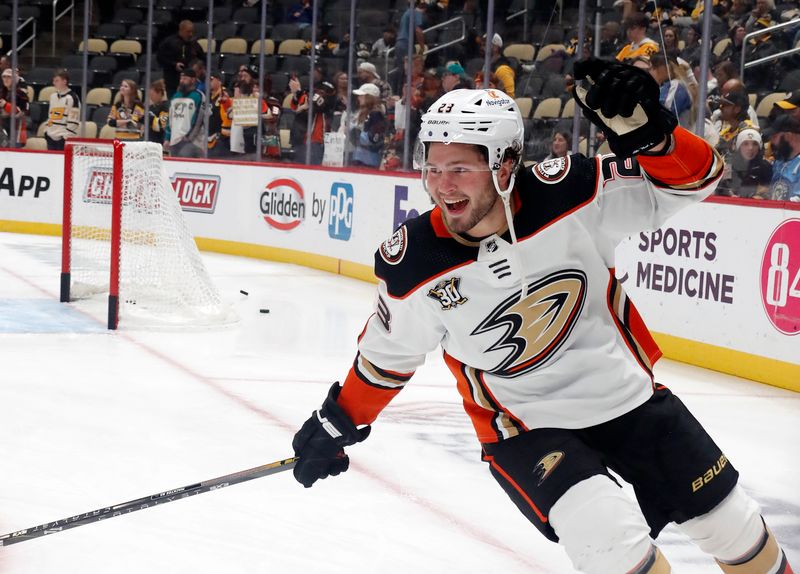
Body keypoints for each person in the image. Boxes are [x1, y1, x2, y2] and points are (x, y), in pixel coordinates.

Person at [290, 58, 795, 574]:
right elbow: (385, 360)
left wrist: (656, 139)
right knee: (610, 544)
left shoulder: (572, 192)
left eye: (461, 167)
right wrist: (335, 425)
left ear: (505, 164)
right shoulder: (415, 260)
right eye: (434, 168)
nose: (442, 185)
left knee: (735, 532)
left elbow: (698, 179)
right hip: (526, 428)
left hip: (628, 400)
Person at [717, 127, 773, 197]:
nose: (750, 148)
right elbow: (721, 189)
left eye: (755, 144)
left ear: (759, 147)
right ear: (738, 146)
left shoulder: (766, 167)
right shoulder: (729, 165)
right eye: (745, 144)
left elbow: (768, 193)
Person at [164, 68, 206, 158]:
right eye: (181, 78)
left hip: (192, 141)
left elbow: (199, 119)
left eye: (185, 78)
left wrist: (188, 137)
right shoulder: (175, 96)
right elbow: (170, 119)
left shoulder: (198, 96)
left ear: (193, 80)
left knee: (184, 157)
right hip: (175, 140)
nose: (182, 81)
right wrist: (167, 138)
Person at [156, 20, 204, 97]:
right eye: (188, 32)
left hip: (190, 83)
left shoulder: (194, 44)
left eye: (192, 32)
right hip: (172, 81)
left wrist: (197, 66)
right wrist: (174, 64)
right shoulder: (169, 42)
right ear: (181, 30)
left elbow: (202, 58)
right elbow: (160, 58)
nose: (191, 34)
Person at [346, 82, 386, 168]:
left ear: (369, 97)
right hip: (358, 158)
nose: (359, 98)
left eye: (362, 95)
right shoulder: (362, 113)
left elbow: (375, 139)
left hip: (369, 161)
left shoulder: (376, 114)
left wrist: (357, 134)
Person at [44, 69, 80, 151]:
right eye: (53, 80)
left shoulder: (72, 97)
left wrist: (66, 136)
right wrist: (47, 130)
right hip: (50, 136)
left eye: (57, 80)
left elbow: (74, 120)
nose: (54, 83)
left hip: (63, 138)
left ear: (64, 81)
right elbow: (50, 116)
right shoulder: (53, 96)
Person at [768, 114, 800, 201]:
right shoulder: (778, 162)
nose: (772, 142)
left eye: (774, 137)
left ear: (788, 136)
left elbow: (797, 201)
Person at [0, 67, 29, 147]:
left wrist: (5, 105)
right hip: (2, 130)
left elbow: (22, 113)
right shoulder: (2, 92)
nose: (6, 79)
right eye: (4, 77)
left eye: (9, 77)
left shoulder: (21, 94)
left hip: (16, 132)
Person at [207, 71, 232, 158]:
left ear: (220, 81)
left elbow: (228, 116)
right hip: (210, 137)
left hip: (221, 138)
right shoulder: (210, 96)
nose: (208, 82)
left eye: (211, 79)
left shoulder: (225, 95)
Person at [146, 79, 170, 145]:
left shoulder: (165, 107)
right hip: (150, 141)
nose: (150, 98)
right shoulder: (152, 107)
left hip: (158, 143)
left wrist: (146, 118)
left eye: (152, 95)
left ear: (159, 93)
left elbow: (162, 125)